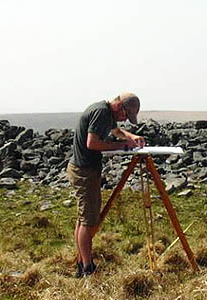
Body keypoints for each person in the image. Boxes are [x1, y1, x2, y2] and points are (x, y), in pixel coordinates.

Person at [66, 92, 145, 277]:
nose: (125, 119)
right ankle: (87, 268)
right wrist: (122, 146)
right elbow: (92, 143)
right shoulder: (101, 113)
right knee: (88, 221)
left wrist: (131, 137)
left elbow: (116, 130)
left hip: (85, 169)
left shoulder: (105, 112)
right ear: (119, 106)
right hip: (84, 172)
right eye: (126, 115)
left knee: (84, 218)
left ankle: (81, 262)